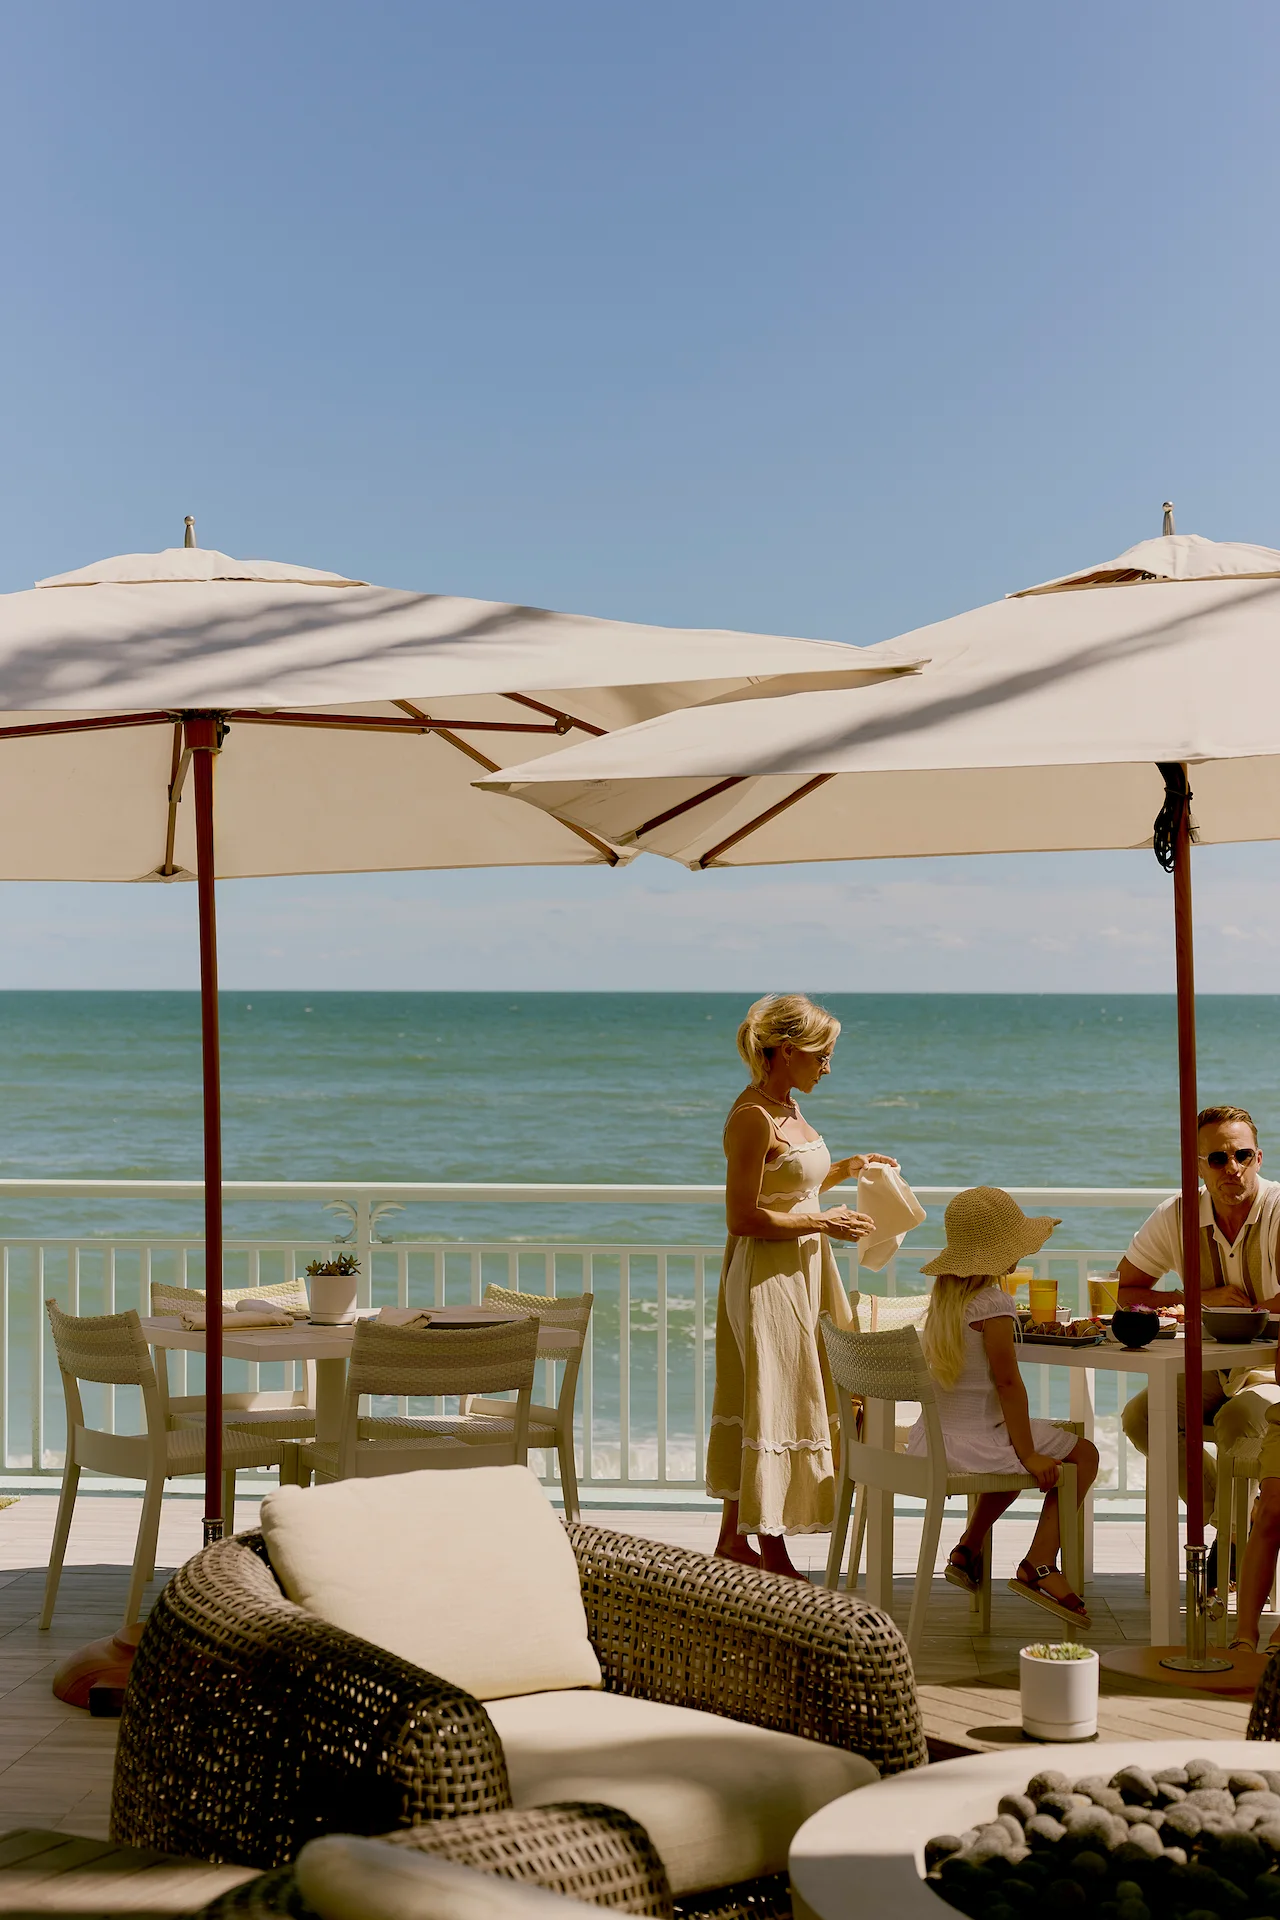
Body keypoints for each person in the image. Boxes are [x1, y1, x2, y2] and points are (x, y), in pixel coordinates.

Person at [708, 992, 898, 1577]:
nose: (828, 1067)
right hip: (766, 1276)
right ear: (787, 1051)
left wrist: (848, 1169)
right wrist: (823, 1221)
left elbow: (792, 1183)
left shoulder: (786, 1107)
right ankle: (771, 1549)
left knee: (785, 1392)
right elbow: (741, 1216)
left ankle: (733, 1542)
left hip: (806, 1269)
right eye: (822, 1055)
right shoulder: (751, 1118)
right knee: (775, 1397)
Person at [908, 1187, 1099, 1626]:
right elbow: (1009, 1383)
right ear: (1000, 1252)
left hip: (938, 1441)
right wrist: (1030, 1452)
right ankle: (1040, 1562)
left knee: (1013, 1461)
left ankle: (967, 1548)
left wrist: (1023, 1450)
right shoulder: (994, 1303)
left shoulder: (944, 1302)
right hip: (978, 1440)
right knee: (1083, 1454)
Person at [1118, 1106, 1280, 1583]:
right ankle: (1231, 1525)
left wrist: (1250, 1312)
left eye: (1243, 1155)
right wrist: (1197, 1298)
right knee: (1143, 1416)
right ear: (1196, 1165)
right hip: (1212, 1368)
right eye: (1217, 1158)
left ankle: (1233, 1540)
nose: (1233, 1168)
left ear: (1259, 1157)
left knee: (1235, 1419)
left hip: (1271, 1368)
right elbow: (1128, 1291)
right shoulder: (1179, 1213)